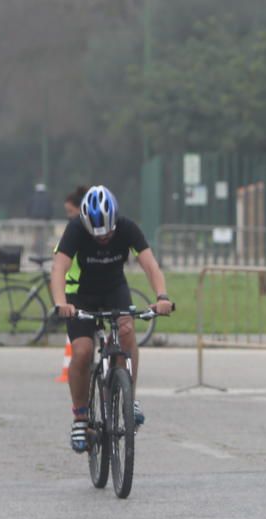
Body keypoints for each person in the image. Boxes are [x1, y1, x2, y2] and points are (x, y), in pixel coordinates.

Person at [51, 185, 174, 452]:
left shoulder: (128, 228)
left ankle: (129, 398)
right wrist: (61, 303)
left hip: (114, 290)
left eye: (107, 233)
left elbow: (150, 264)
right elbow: (59, 267)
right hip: (80, 295)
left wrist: (162, 296)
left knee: (127, 332)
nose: (103, 239)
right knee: (82, 351)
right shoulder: (75, 229)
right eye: (97, 235)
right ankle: (80, 417)